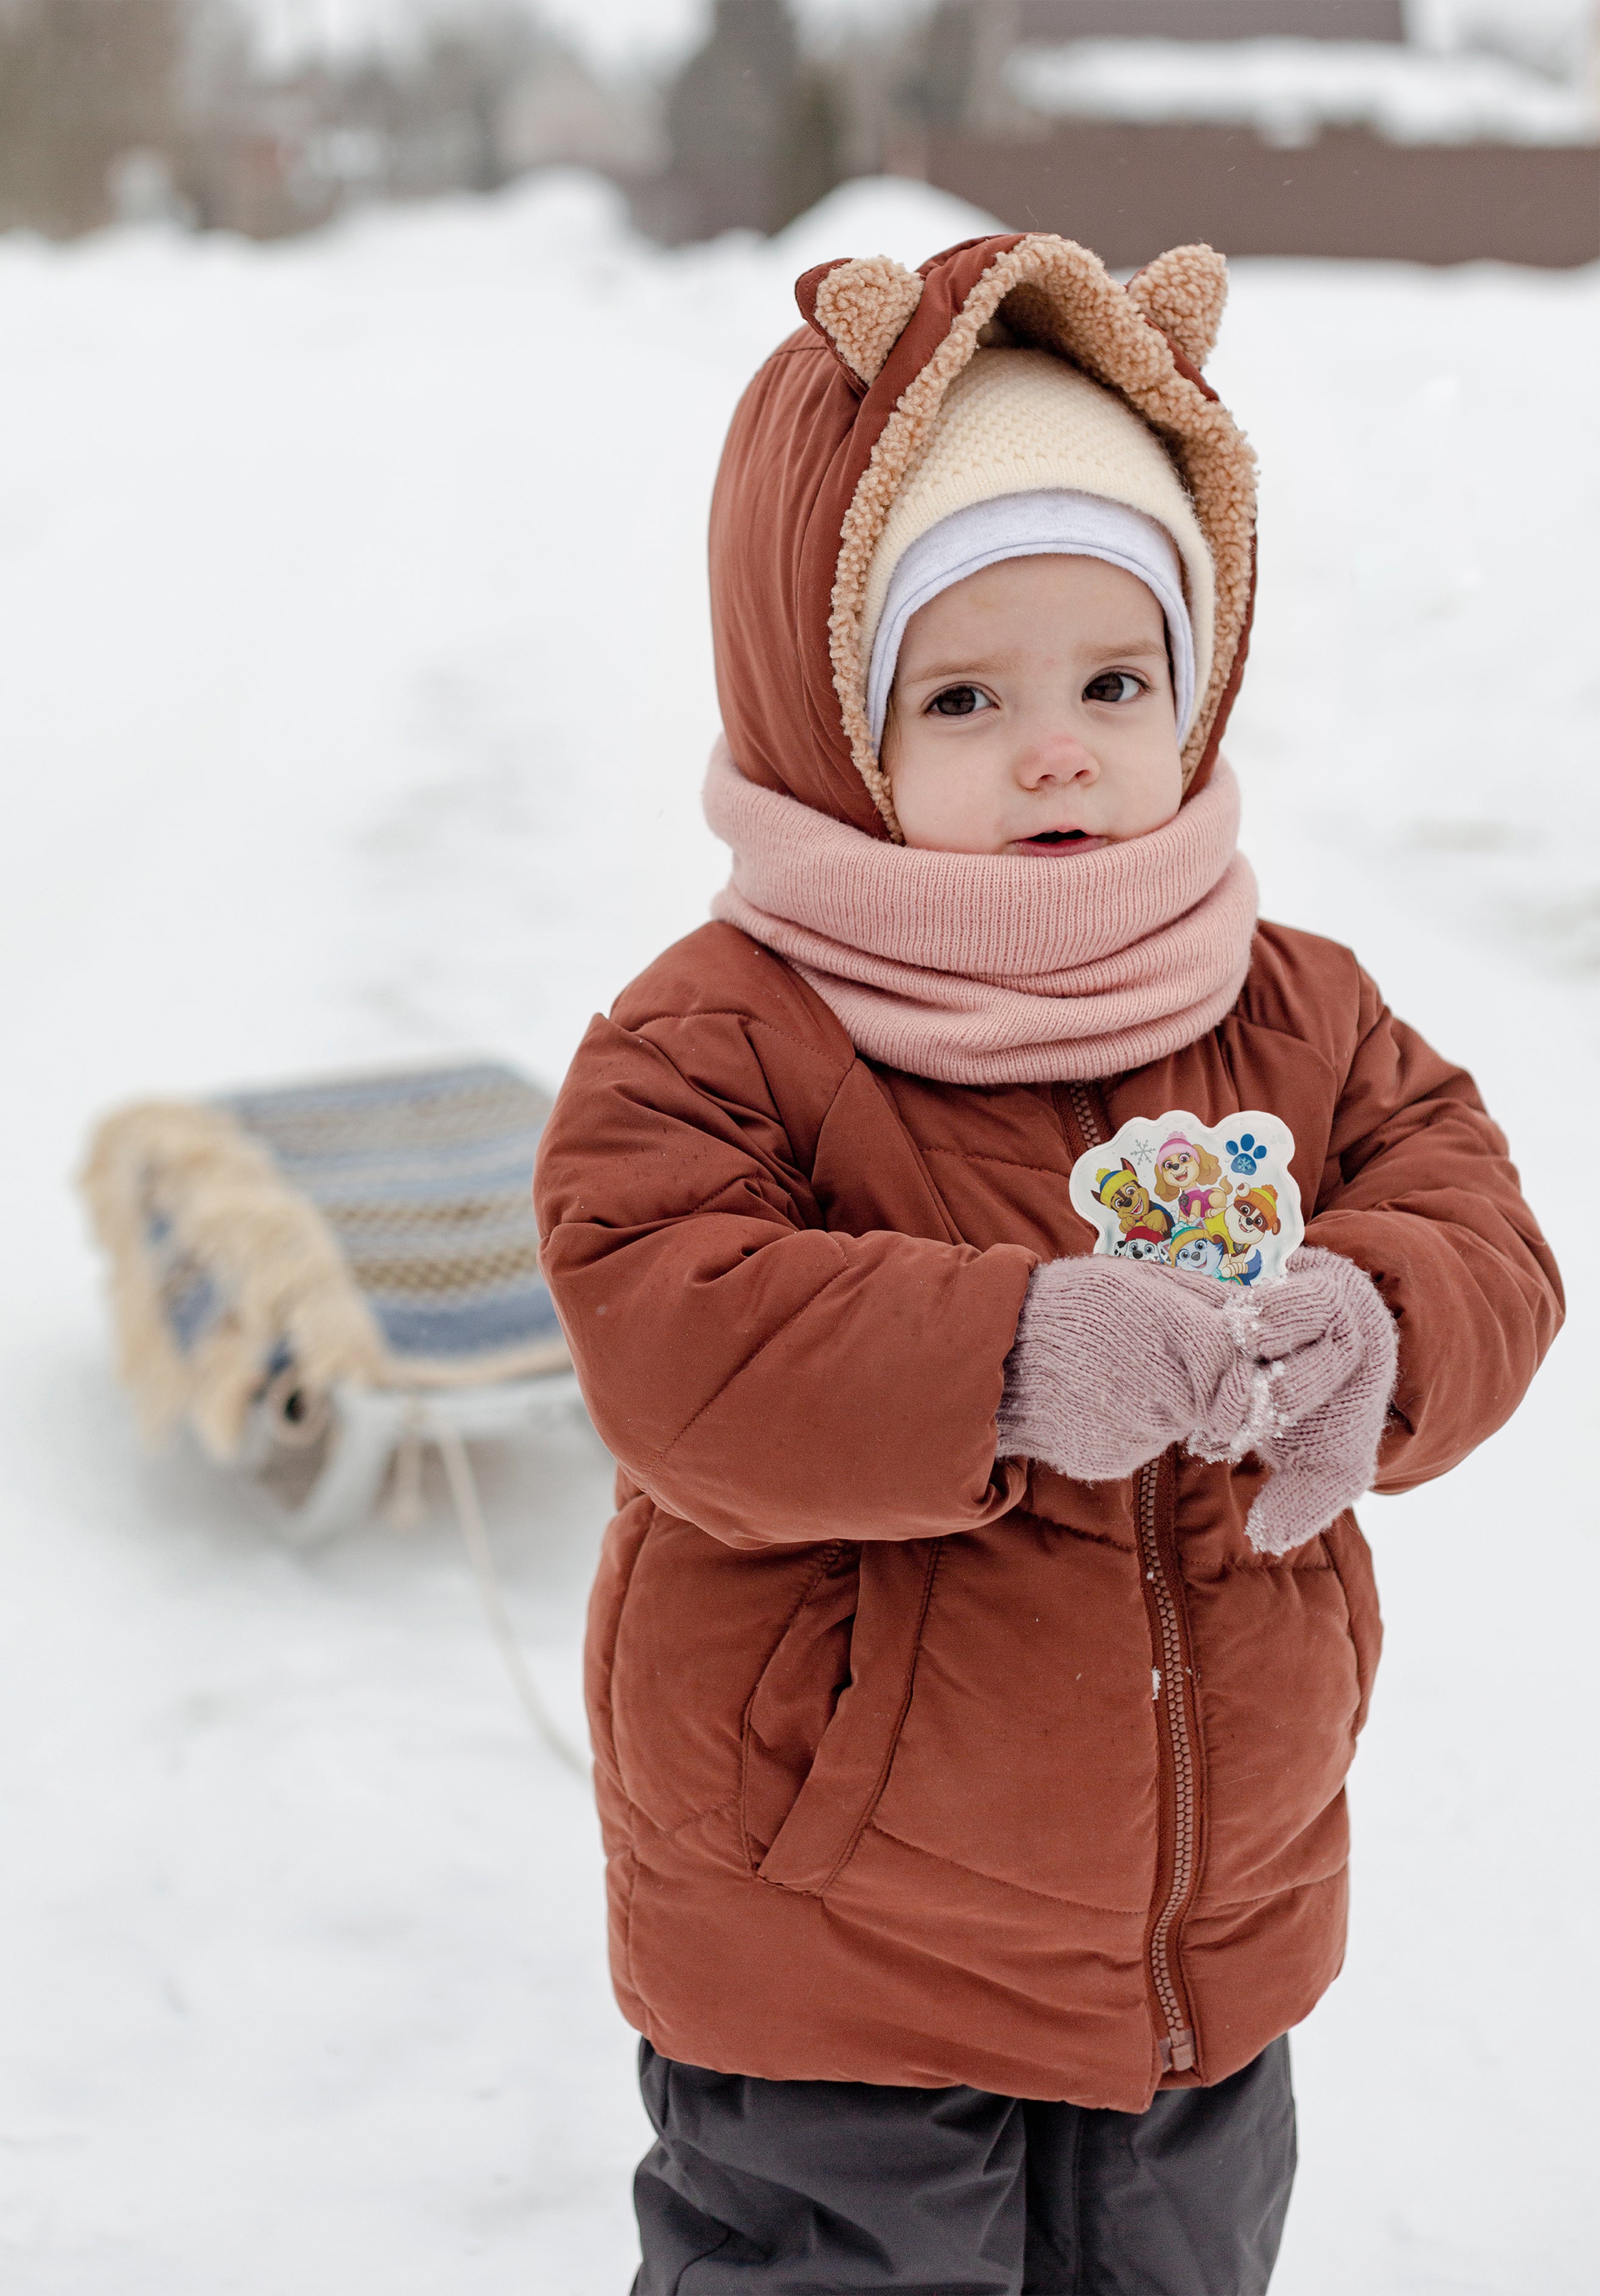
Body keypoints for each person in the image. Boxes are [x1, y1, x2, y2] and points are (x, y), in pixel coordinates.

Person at [533, 231, 1562, 2295]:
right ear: (831, 720)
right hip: (837, 1957)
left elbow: (1473, 1210)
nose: (1061, 749)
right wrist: (1003, 1356)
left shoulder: (1294, 1003)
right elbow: (673, 1329)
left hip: (1208, 1929)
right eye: (967, 697)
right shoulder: (721, 1035)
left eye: (1116, 681)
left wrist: (1384, 1318)